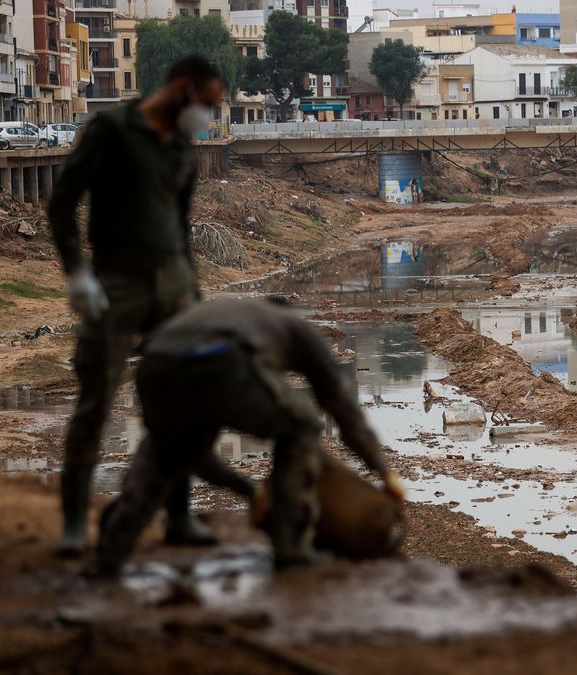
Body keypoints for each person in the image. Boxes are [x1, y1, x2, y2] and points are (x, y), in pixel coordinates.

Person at [47, 56, 225, 556]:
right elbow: (62, 202)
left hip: (173, 284)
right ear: (183, 89)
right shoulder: (112, 130)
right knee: (96, 400)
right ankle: (74, 525)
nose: (208, 117)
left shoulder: (183, 149)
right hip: (117, 281)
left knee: (179, 402)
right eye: (207, 106)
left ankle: (179, 519)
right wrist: (76, 273)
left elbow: (182, 226)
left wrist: (191, 289)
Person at [94, 299, 404, 575]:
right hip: (223, 357)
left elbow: (197, 456)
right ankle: (290, 549)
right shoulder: (299, 329)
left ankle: (112, 550)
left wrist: (250, 490)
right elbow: (341, 406)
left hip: (155, 363)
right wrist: (383, 470)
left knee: (165, 449)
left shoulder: (238, 313)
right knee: (302, 425)